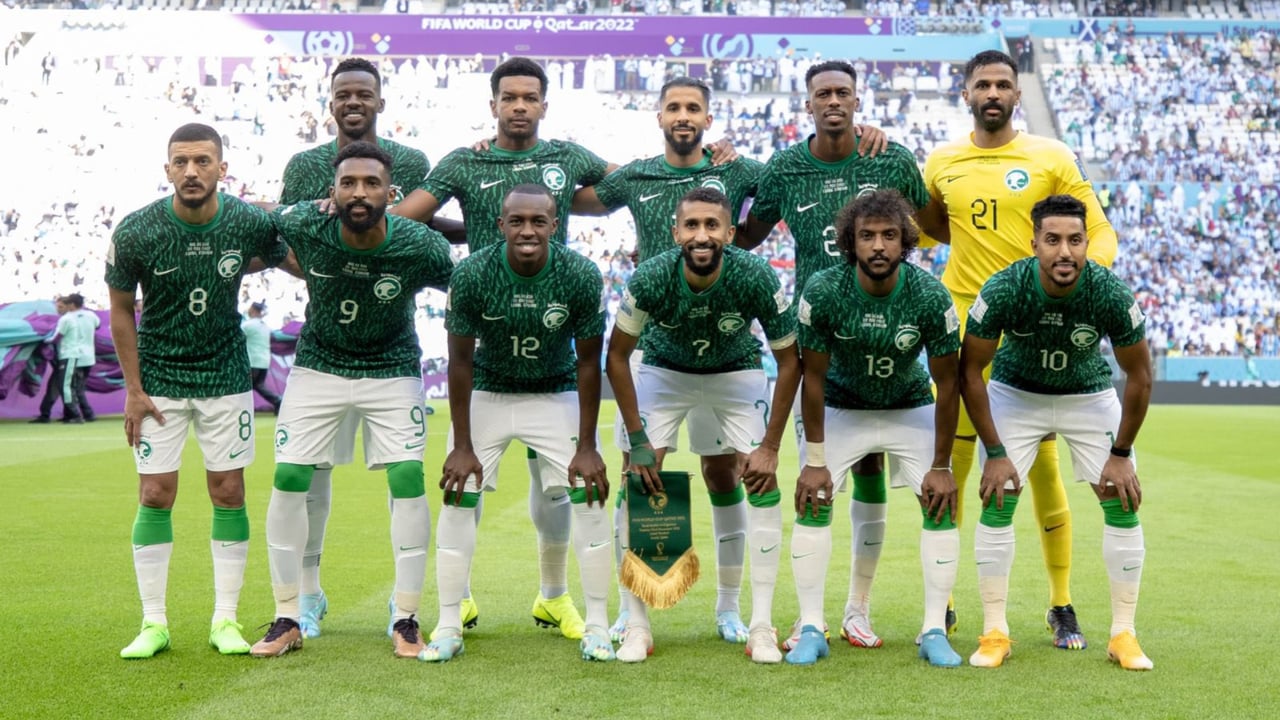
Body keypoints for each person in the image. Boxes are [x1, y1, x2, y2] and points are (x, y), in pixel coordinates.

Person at [392, 56, 616, 642]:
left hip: (554, 369)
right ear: (492, 104)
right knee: (461, 488)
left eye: (529, 97)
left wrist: (708, 158)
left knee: (560, 494)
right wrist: (340, 209)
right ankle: (456, 606)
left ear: (544, 104)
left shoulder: (569, 159)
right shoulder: (464, 162)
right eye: (509, 97)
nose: (519, 106)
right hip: (491, 359)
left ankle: (555, 598)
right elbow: (403, 220)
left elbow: (634, 182)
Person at [919, 49, 1119, 649]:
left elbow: (1099, 231)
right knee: (951, 464)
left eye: (1003, 84)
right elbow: (928, 228)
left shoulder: (1050, 156)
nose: (993, 93)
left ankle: (1061, 603)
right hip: (962, 326)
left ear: (1016, 94)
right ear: (966, 93)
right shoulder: (943, 160)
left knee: (1043, 468)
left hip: (1031, 328)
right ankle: (942, 603)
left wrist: (1082, 284)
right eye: (982, 84)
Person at [738, 59, 939, 650]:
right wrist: (719, 172)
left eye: (842, 93)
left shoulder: (890, 160)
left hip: (886, 340)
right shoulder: (785, 167)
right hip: (818, 346)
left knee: (872, 472)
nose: (833, 101)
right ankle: (811, 620)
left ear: (857, 101)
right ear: (808, 104)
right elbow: (746, 235)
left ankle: (858, 610)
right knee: (818, 478)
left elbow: (936, 226)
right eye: (822, 93)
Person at [251, 141, 455, 659]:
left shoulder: (418, 244)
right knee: (290, 475)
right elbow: (255, 216)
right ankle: (288, 613)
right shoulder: (307, 223)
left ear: (391, 193)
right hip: (319, 364)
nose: (359, 193)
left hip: (392, 368)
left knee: (406, 477)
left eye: (370, 184)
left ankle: (406, 615)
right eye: (348, 183)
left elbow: (465, 288)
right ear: (333, 191)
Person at [108, 123, 289, 659]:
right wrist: (133, 388)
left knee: (228, 492)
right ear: (167, 169)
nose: (191, 171)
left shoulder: (247, 220)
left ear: (221, 169)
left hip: (225, 376)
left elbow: (290, 256)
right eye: (181, 162)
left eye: (203, 161)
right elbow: (120, 310)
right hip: (159, 380)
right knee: (154, 494)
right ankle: (154, 624)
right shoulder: (136, 230)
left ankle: (225, 620)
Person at [605, 187, 802, 665]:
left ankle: (754, 622)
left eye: (712, 225)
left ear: (730, 233)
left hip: (734, 373)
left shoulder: (755, 275)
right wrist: (638, 440)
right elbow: (617, 356)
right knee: (639, 479)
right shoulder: (652, 276)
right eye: (691, 225)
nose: (701, 235)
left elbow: (789, 361)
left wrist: (770, 446)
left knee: (758, 480)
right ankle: (636, 623)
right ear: (676, 232)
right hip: (664, 373)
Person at [959, 194, 1152, 671]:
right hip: (1016, 393)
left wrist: (1121, 453)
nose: (1064, 251)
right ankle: (995, 632)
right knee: (998, 497)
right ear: (1034, 244)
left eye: (1075, 240)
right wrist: (995, 451)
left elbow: (1140, 375)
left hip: (1087, 394)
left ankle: (1123, 634)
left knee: (1121, 498)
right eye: (1052, 240)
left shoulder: (1109, 292)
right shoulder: (1005, 288)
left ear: (1086, 243)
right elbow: (970, 371)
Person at [425, 184, 614, 663]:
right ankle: (448, 623)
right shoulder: (472, 273)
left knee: (589, 494)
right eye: (517, 221)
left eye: (538, 221)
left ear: (555, 225)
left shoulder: (580, 274)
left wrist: (587, 445)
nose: (527, 230)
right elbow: (460, 361)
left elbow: (588, 363)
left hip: (553, 390)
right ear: (501, 225)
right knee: (458, 494)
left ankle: (596, 624)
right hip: (489, 389)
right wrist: (461, 444)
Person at [788, 190, 962, 667]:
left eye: (889, 235)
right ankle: (811, 627)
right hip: (842, 406)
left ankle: (933, 630)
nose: (879, 245)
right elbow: (812, 377)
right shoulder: (825, 290)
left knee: (940, 504)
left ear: (906, 241)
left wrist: (941, 465)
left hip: (909, 405)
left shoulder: (930, 295)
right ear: (850, 241)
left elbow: (949, 383)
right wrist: (815, 461)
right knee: (813, 499)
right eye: (867, 236)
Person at [34, 293, 99, 424]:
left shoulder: (68, 318)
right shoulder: (91, 316)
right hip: (88, 356)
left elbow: (57, 337)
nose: (58, 309)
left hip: (71, 355)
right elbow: (98, 326)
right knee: (76, 388)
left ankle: (73, 415)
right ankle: (81, 414)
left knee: (65, 386)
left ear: (71, 305)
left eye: (62, 306)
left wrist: (43, 340)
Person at [241, 301, 281, 413]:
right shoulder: (265, 326)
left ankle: (241, 409)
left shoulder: (247, 325)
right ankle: (277, 400)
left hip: (252, 361)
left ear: (253, 310)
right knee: (258, 385)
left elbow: (236, 336)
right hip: (264, 361)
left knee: (245, 386)